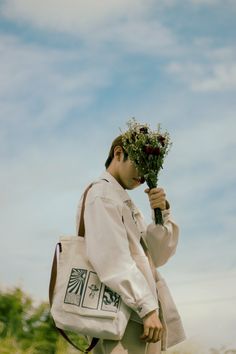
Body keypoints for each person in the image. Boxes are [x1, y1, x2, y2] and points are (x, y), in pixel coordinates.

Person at [76, 135, 185, 354]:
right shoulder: (103, 194)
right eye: (139, 164)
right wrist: (147, 309)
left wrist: (161, 213)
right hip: (124, 314)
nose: (143, 176)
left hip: (135, 314)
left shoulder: (120, 197)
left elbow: (156, 256)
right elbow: (112, 260)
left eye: (149, 168)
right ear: (118, 154)